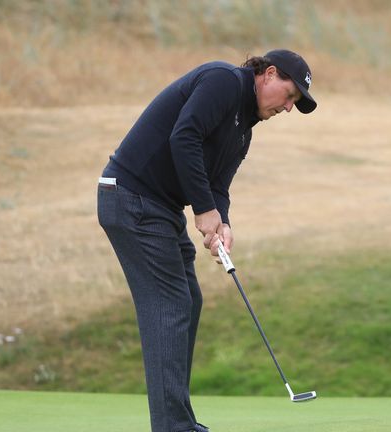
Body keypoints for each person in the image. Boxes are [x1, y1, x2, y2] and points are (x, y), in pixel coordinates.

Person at [96, 49, 316, 432]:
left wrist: (222, 223)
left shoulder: (243, 130)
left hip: (156, 208)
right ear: (269, 74)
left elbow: (218, 187)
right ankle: (173, 427)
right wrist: (203, 210)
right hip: (130, 197)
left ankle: (177, 421)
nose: (288, 108)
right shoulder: (223, 81)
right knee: (171, 303)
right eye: (290, 95)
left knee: (188, 300)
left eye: (295, 102)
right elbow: (185, 136)